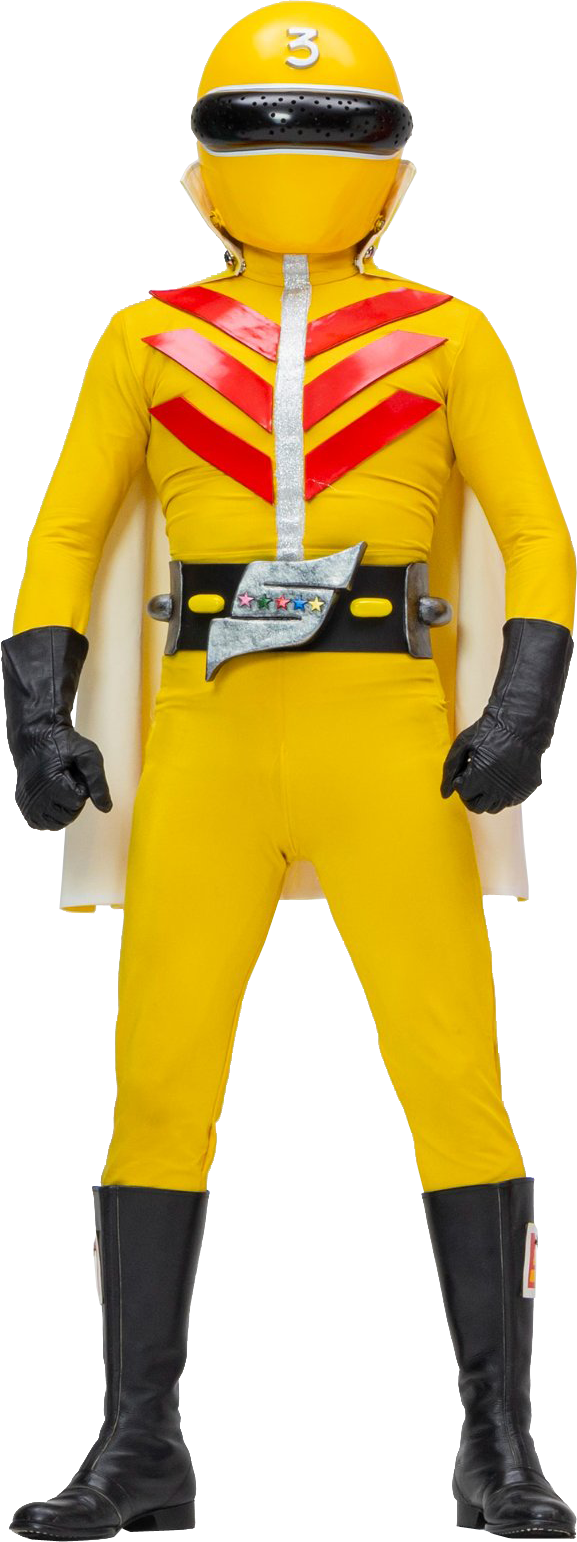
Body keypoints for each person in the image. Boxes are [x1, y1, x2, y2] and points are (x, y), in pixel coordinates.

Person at [3, 5, 575, 1537]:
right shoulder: (143, 339)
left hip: (394, 738)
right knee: (158, 1084)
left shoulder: (453, 336)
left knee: (455, 1079)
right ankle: (139, 1439)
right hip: (204, 739)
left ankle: (501, 1438)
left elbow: (538, 533)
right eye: (270, 125)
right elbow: (65, 532)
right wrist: (38, 711)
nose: (301, 154)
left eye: (335, 128)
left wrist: (523, 700)